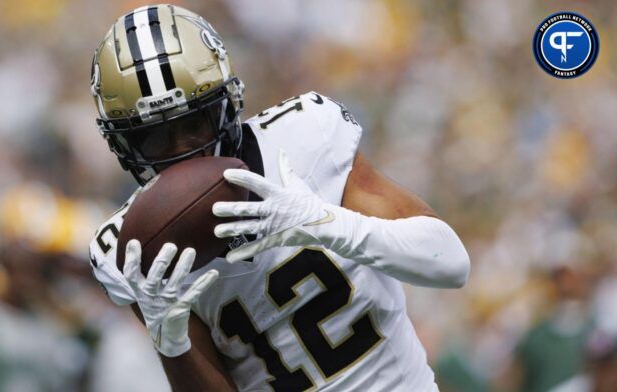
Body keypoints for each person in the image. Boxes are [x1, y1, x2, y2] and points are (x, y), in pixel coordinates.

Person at [88, 4, 470, 391]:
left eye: (193, 124)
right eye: (153, 138)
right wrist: (172, 344)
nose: (182, 150)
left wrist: (324, 223)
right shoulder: (132, 247)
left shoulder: (304, 140)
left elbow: (450, 264)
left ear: (227, 104)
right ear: (122, 145)